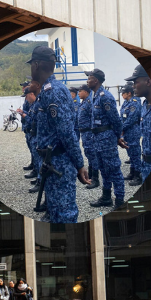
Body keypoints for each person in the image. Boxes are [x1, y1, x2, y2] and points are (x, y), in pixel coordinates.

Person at [29, 45, 90, 222]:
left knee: (65, 214)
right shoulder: (46, 90)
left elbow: (66, 133)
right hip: (50, 163)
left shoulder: (54, 91)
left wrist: (79, 165)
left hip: (59, 164)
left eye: (31, 64)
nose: (31, 68)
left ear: (37, 64)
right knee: (55, 212)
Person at [86, 68, 126, 209]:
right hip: (97, 139)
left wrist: (116, 138)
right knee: (103, 169)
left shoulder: (105, 97)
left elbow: (116, 121)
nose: (87, 80)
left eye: (89, 78)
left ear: (96, 80)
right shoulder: (94, 95)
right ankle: (106, 197)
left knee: (114, 170)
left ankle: (120, 200)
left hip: (107, 139)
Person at [125, 64, 151, 181]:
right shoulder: (145, 105)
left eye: (136, 82)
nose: (133, 86)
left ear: (148, 81)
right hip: (146, 166)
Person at [119, 82, 143, 186]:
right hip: (127, 131)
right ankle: (132, 172)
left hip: (133, 130)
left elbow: (131, 119)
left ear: (129, 93)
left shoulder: (135, 102)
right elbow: (122, 117)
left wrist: (121, 128)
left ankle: (138, 175)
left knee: (135, 153)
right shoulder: (126, 102)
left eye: (123, 93)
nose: (121, 95)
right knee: (130, 152)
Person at [76, 84, 99, 190]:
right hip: (84, 133)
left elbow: (94, 118)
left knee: (93, 155)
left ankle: (95, 179)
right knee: (89, 154)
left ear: (86, 92)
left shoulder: (89, 103)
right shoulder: (83, 102)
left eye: (80, 91)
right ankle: (90, 175)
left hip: (89, 133)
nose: (78, 93)